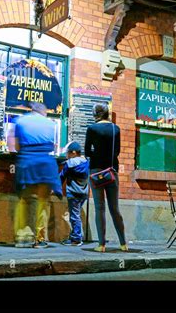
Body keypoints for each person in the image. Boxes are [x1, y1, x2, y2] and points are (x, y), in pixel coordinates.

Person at [14, 102, 62, 248]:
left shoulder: (20, 121)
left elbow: (16, 146)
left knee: (24, 200)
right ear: (43, 112)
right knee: (43, 201)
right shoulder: (51, 124)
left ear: (32, 110)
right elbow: (52, 146)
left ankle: (21, 237)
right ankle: (39, 239)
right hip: (45, 164)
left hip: (27, 162)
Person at [85, 103, 127, 252]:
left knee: (99, 208)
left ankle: (101, 245)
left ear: (95, 114)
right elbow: (117, 151)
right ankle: (123, 244)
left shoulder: (91, 129)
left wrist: (96, 155)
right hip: (111, 171)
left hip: (96, 171)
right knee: (114, 208)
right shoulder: (116, 129)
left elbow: (87, 152)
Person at [60, 141, 90, 246]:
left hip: (73, 193)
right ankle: (74, 236)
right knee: (76, 215)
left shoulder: (70, 164)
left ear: (73, 152)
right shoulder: (86, 162)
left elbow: (61, 177)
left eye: (68, 153)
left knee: (74, 216)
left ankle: (76, 239)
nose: (67, 155)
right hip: (84, 193)